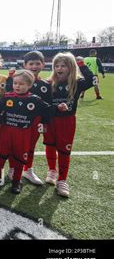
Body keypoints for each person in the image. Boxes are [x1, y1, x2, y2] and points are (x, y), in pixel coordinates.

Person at [0, 70, 51, 194]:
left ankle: (16, 181)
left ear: (29, 85)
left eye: (21, 84)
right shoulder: (8, 96)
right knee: (1, 157)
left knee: (19, 159)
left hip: (22, 134)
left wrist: (59, 108)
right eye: (15, 83)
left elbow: (47, 110)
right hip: (6, 132)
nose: (17, 86)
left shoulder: (34, 100)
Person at [43, 53, 95, 197]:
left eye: (63, 66)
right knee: (50, 145)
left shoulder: (77, 83)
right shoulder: (49, 83)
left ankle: (62, 180)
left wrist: (82, 64)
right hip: (51, 120)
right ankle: (52, 170)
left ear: (71, 67)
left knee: (64, 150)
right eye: (57, 66)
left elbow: (92, 80)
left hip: (67, 121)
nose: (59, 68)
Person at [5, 50, 52, 186]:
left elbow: (47, 106)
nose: (34, 66)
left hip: (35, 121)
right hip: (16, 119)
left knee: (30, 146)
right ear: (25, 65)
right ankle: (13, 169)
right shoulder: (16, 81)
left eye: (37, 63)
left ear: (43, 65)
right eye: (31, 63)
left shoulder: (45, 85)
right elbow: (8, 96)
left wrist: (44, 122)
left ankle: (28, 169)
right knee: (14, 146)